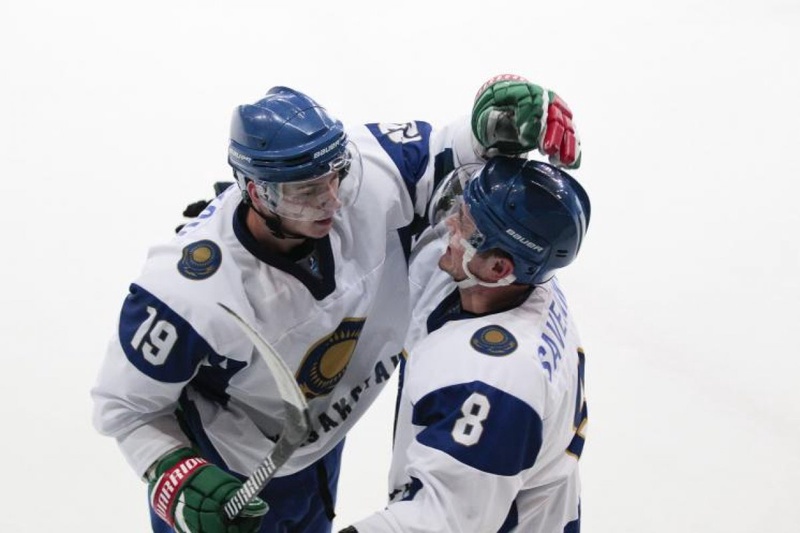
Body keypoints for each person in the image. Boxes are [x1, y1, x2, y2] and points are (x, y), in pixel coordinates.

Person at [91, 75, 582, 533]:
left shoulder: (366, 173)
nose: (331, 200)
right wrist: (173, 471)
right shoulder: (187, 292)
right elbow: (123, 407)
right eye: (305, 192)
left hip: (318, 449)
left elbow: (451, 154)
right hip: (232, 473)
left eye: (334, 176)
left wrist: (491, 126)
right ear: (256, 191)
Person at [339, 156, 591, 532]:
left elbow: (443, 520)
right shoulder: (526, 280)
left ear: (498, 268)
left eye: (466, 224)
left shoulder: (494, 380)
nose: (450, 224)